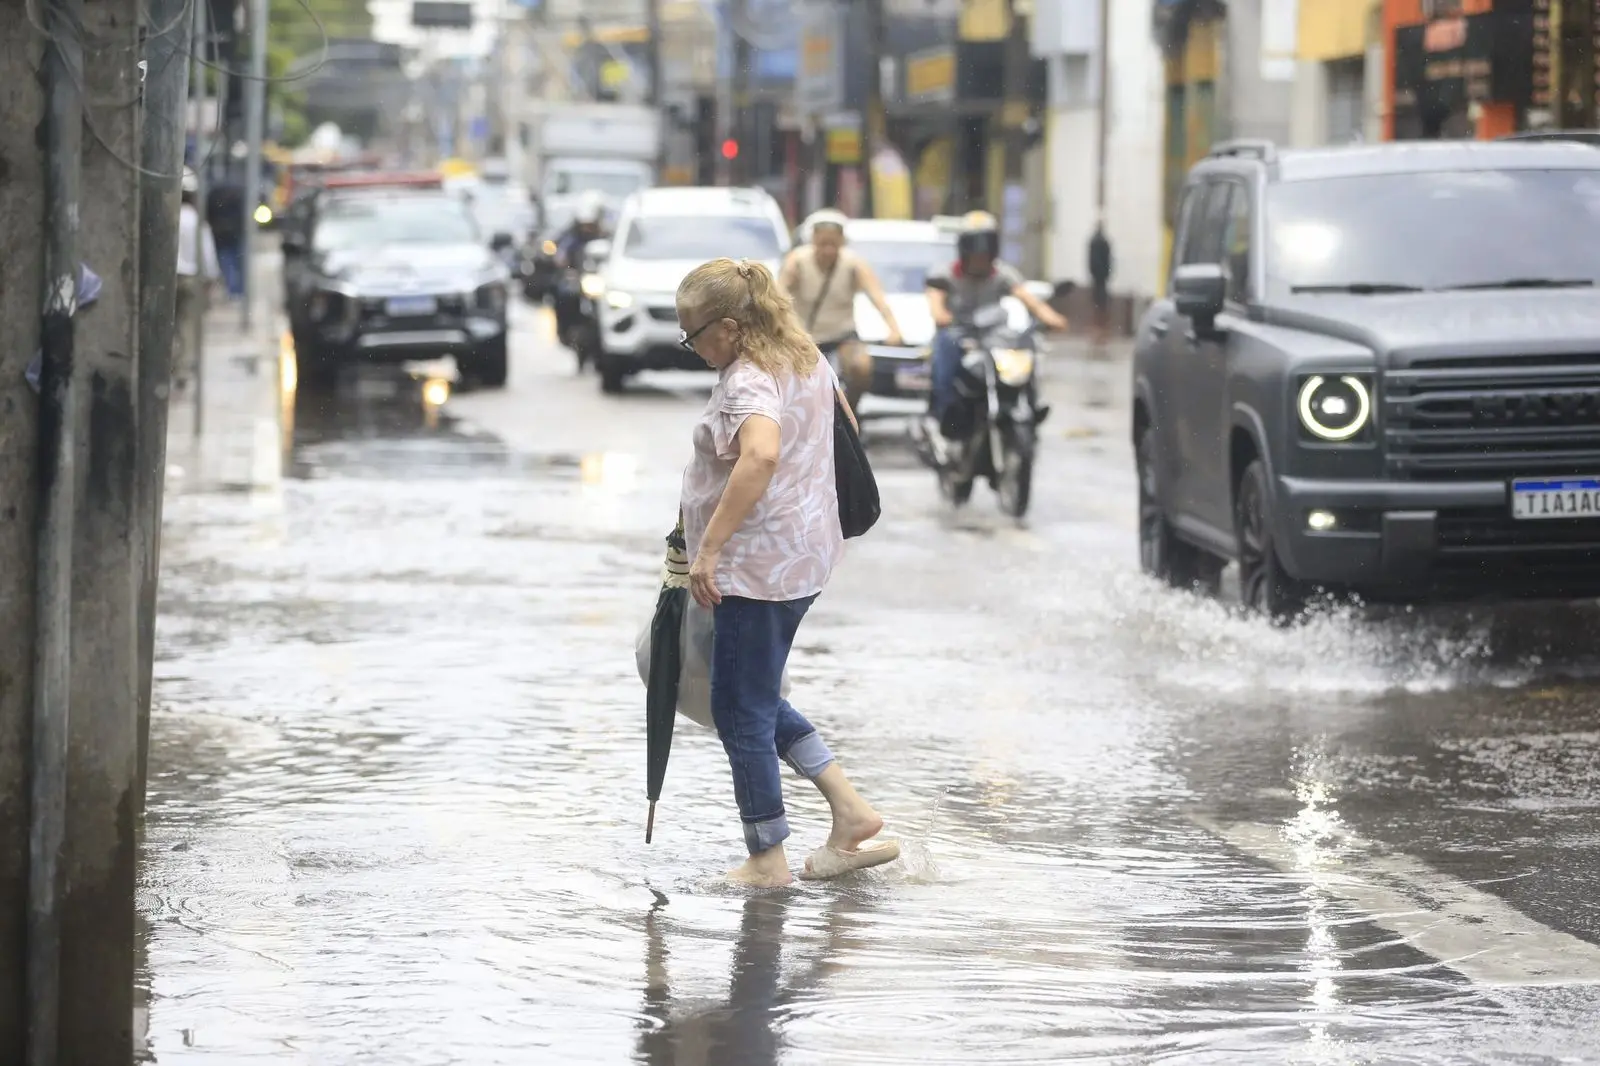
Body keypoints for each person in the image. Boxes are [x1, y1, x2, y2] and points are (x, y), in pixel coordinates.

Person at [675, 256, 899, 888]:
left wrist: (710, 549)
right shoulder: (801, 357)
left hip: (757, 566)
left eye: (694, 334)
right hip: (802, 553)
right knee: (753, 694)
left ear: (728, 325)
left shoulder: (748, 379)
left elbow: (761, 455)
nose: (691, 347)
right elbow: (843, 429)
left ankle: (766, 858)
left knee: (739, 706)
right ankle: (851, 812)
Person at [925, 211, 1068, 437]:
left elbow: (1029, 299)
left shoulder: (1002, 274)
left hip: (991, 335)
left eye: (986, 244)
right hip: (959, 334)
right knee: (946, 349)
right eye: (975, 244)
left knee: (1023, 349)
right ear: (964, 247)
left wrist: (1051, 318)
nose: (980, 253)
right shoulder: (946, 274)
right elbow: (936, 303)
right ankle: (943, 416)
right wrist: (941, 314)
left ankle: (1030, 403)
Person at [778, 209, 903, 411]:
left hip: (842, 334)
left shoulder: (853, 263)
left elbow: (877, 297)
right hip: (805, 336)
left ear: (842, 242)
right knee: (793, 378)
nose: (828, 250)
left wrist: (893, 329)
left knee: (861, 367)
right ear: (813, 240)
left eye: (833, 244)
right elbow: (779, 296)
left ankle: (848, 409)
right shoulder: (798, 261)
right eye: (822, 244)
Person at [175, 167, 220, 391]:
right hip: (191, 280)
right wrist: (211, 280)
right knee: (187, 326)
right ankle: (181, 369)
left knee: (168, 326)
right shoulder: (196, 221)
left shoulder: (169, 218)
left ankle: (170, 366)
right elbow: (208, 255)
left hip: (168, 279)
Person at [553, 191, 608, 340]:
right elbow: (561, 254)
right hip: (578, 278)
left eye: (590, 225)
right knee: (564, 293)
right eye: (584, 225)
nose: (587, 229)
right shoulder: (571, 238)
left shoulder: (608, 238)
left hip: (601, 281)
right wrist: (567, 268)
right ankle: (565, 329)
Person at [206, 175, 245, 299]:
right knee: (237, 262)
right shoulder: (238, 193)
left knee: (227, 262)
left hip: (221, 233)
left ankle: (233, 290)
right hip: (233, 233)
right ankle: (237, 291)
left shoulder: (214, 193)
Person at [1088, 220, 1113, 343]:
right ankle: (1101, 328)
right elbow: (1108, 260)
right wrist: (1107, 273)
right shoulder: (1103, 241)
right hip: (1102, 277)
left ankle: (1098, 328)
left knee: (1098, 301)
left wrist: (1093, 272)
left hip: (1097, 276)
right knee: (1102, 302)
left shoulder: (1095, 241)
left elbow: (1092, 260)